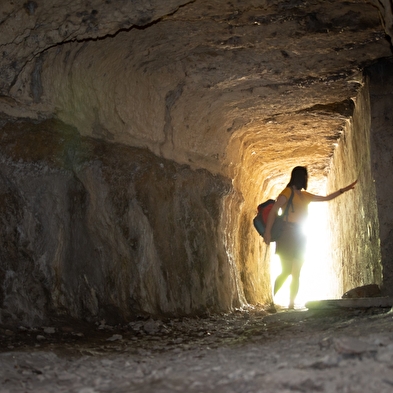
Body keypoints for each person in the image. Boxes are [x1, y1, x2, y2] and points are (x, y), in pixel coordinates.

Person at [263, 166, 357, 309]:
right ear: (296, 177)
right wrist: (268, 232)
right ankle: (271, 301)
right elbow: (274, 211)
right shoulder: (287, 193)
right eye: (302, 176)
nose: (303, 179)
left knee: (296, 272)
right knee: (287, 271)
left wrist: (344, 189)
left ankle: (291, 304)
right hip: (287, 234)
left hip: (300, 235)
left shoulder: (305, 195)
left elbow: (326, 198)